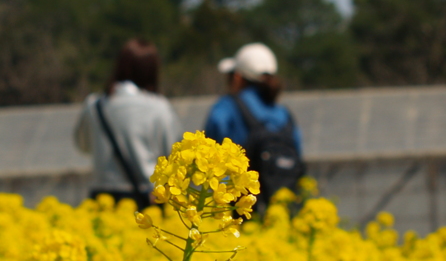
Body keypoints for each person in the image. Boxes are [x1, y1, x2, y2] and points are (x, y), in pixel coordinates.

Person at [74, 38, 183, 207]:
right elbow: (174, 153)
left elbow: (83, 145)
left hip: (102, 197)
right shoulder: (159, 107)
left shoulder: (94, 105)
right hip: (147, 197)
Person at [204, 42, 305, 206]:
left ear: (237, 77)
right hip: (282, 207)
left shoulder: (227, 107)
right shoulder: (284, 114)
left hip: (237, 209)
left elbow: (208, 146)